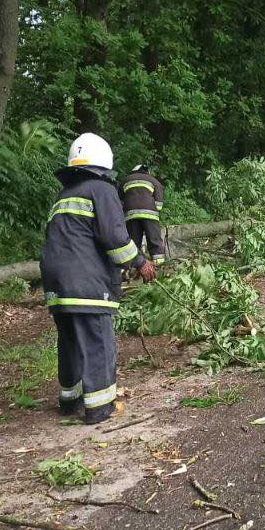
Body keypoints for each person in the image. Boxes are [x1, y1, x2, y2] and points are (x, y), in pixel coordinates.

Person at [40, 133, 156, 424]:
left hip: (56, 280)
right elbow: (116, 238)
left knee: (69, 340)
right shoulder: (101, 190)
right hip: (86, 280)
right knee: (97, 340)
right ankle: (100, 407)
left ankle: (70, 400)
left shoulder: (63, 195)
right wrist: (140, 262)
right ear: (105, 166)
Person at [119, 163, 166, 266]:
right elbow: (159, 202)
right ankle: (159, 264)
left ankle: (133, 266)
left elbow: (120, 200)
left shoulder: (125, 180)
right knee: (154, 238)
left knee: (134, 240)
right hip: (150, 214)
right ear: (147, 171)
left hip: (131, 215)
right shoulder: (152, 180)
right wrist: (156, 209)